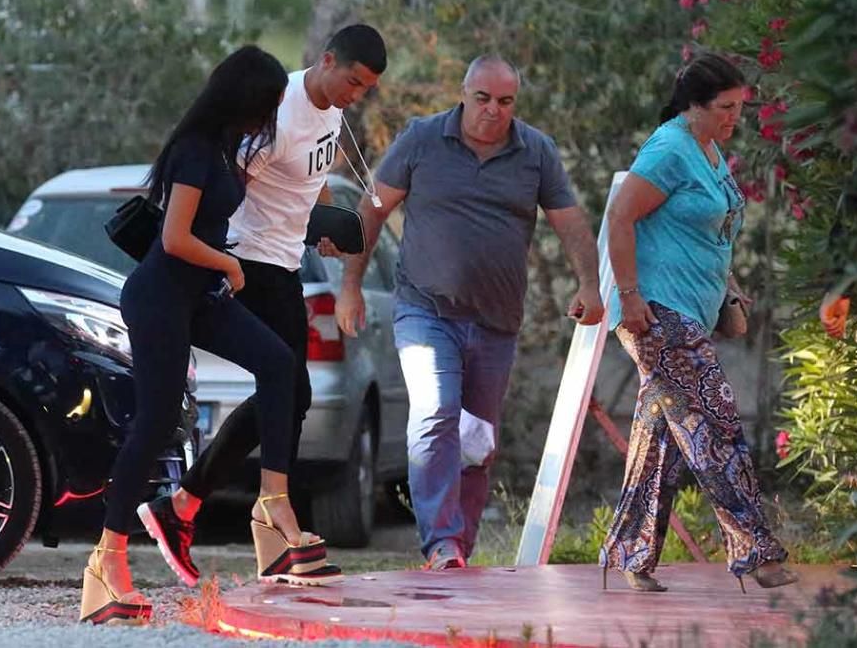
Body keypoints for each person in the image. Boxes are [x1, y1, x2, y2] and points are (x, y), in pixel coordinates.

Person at [78, 45, 322, 625]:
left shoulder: (224, 148)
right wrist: (232, 266)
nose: (273, 114)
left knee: (280, 363)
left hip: (200, 295)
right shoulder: (193, 151)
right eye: (270, 103)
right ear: (245, 99)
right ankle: (105, 564)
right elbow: (174, 239)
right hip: (161, 296)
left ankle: (273, 507)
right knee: (156, 420)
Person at [137, 24, 387, 586]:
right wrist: (219, 256)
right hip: (250, 263)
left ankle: (205, 514)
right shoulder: (279, 108)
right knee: (287, 388)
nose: (356, 95)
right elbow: (226, 184)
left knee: (289, 393)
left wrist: (320, 222)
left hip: (286, 263)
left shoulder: (330, 114)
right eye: (352, 81)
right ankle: (249, 512)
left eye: (365, 88)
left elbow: (313, 179)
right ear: (326, 61)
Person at [335, 55, 604, 570]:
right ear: (464, 94)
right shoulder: (421, 140)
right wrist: (351, 286)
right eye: (483, 98)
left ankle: (461, 546)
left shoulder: (536, 152)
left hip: (496, 322)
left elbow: (569, 222)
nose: (493, 111)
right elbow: (371, 211)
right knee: (435, 411)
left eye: (505, 101)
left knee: (476, 438)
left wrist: (589, 284)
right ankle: (440, 542)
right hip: (425, 309)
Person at [598, 52, 797, 593]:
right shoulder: (668, 149)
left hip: (690, 309)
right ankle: (756, 549)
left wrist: (730, 289)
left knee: (660, 435)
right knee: (715, 420)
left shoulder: (709, 151)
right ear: (694, 107)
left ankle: (631, 554)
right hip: (655, 311)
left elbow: (714, 231)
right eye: (726, 108)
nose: (736, 118)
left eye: (740, 107)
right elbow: (620, 217)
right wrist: (631, 296)